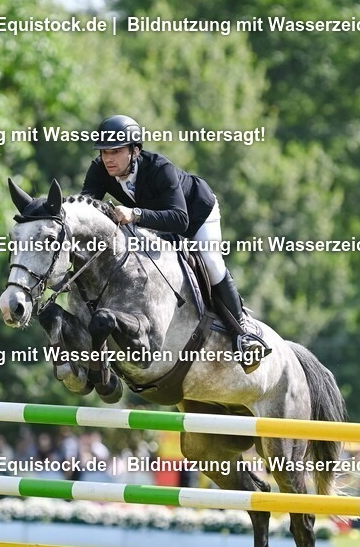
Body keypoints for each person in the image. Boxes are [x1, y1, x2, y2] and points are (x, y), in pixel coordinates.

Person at [81, 114, 270, 372]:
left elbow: (180, 220)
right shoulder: (100, 170)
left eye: (116, 151)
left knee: (211, 261)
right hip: (151, 221)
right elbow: (86, 210)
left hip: (195, 214)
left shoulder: (160, 168)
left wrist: (135, 214)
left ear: (135, 150)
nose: (108, 159)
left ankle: (243, 331)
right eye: (104, 152)